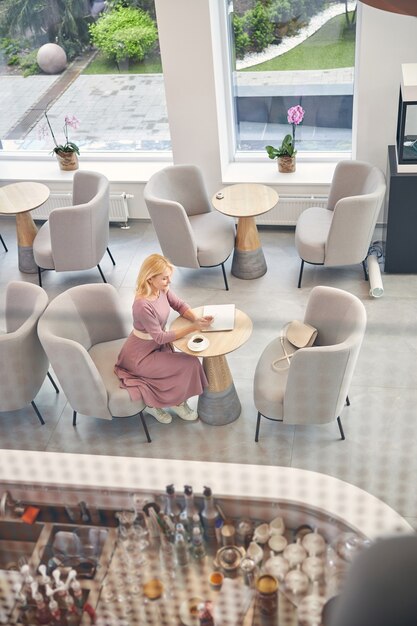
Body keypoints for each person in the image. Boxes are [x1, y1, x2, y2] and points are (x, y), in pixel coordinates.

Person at [114, 253, 213, 424]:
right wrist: (193, 327)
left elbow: (179, 305)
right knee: (189, 363)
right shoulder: (142, 305)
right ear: (150, 278)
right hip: (140, 356)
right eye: (165, 278)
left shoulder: (161, 288)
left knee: (183, 362)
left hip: (155, 347)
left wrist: (196, 319)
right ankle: (172, 403)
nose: (169, 282)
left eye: (169, 277)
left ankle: (171, 402)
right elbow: (159, 337)